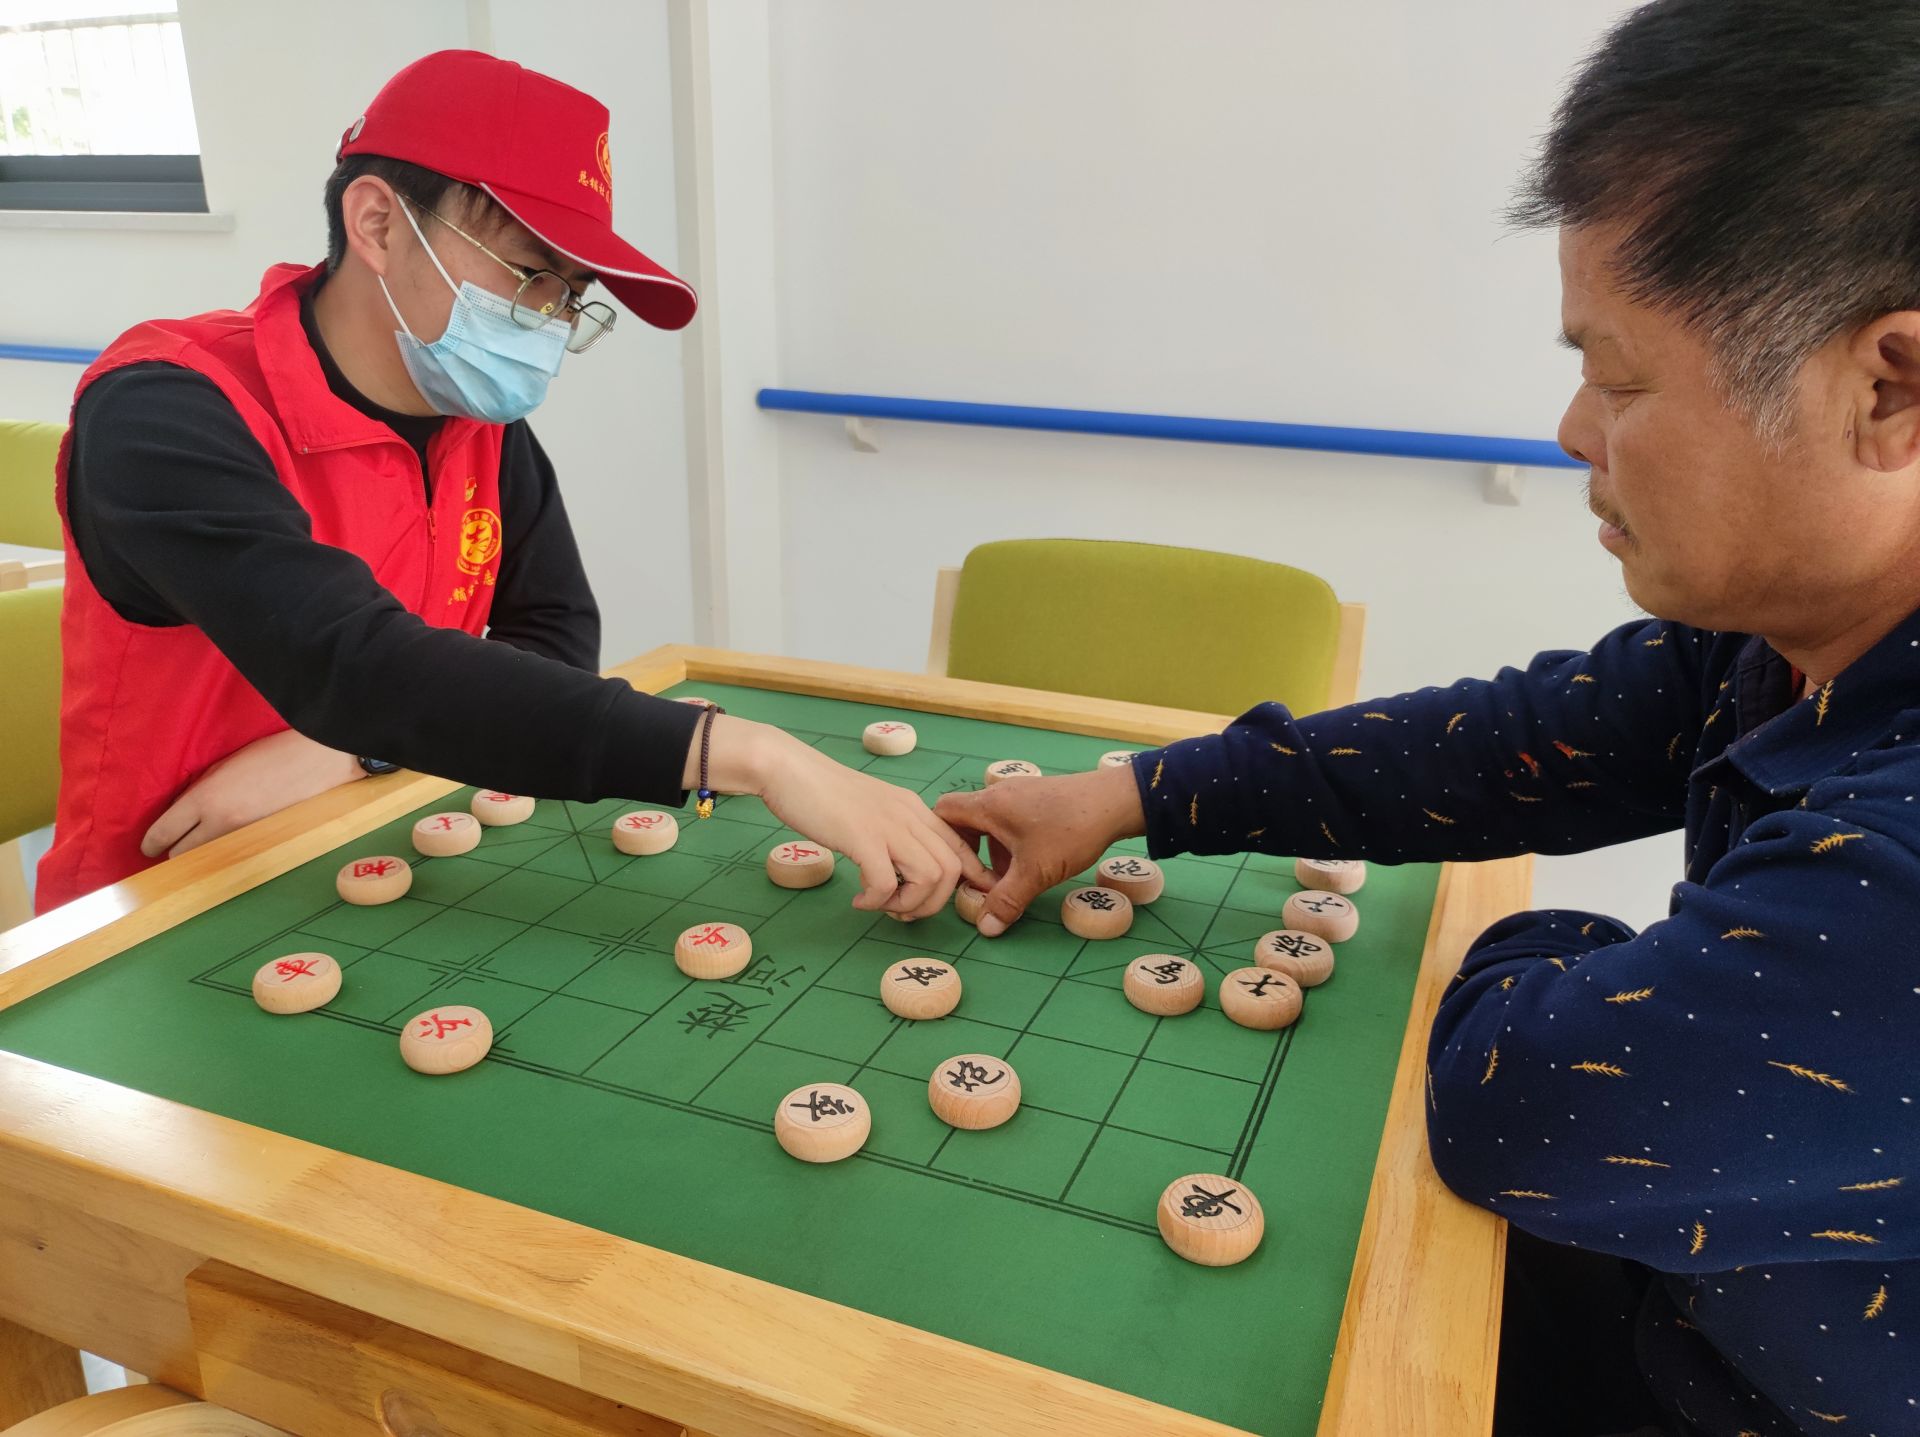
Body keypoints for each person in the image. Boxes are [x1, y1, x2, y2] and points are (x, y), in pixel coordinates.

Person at [938, 3, 1918, 1432]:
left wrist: (1559, 949)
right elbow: (1514, 744)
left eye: (1619, 374)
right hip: (1684, 1297)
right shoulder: (1784, 638)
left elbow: (1524, 1105)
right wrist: (1134, 793)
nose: (1573, 429)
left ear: (1888, 388)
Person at [35, 49, 981, 918]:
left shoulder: (480, 423)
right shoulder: (166, 412)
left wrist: (353, 749)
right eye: (529, 276)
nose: (548, 324)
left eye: (571, 297)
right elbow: (348, 661)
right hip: (154, 907)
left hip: (386, 858)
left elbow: (556, 636)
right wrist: (746, 751)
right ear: (377, 223)